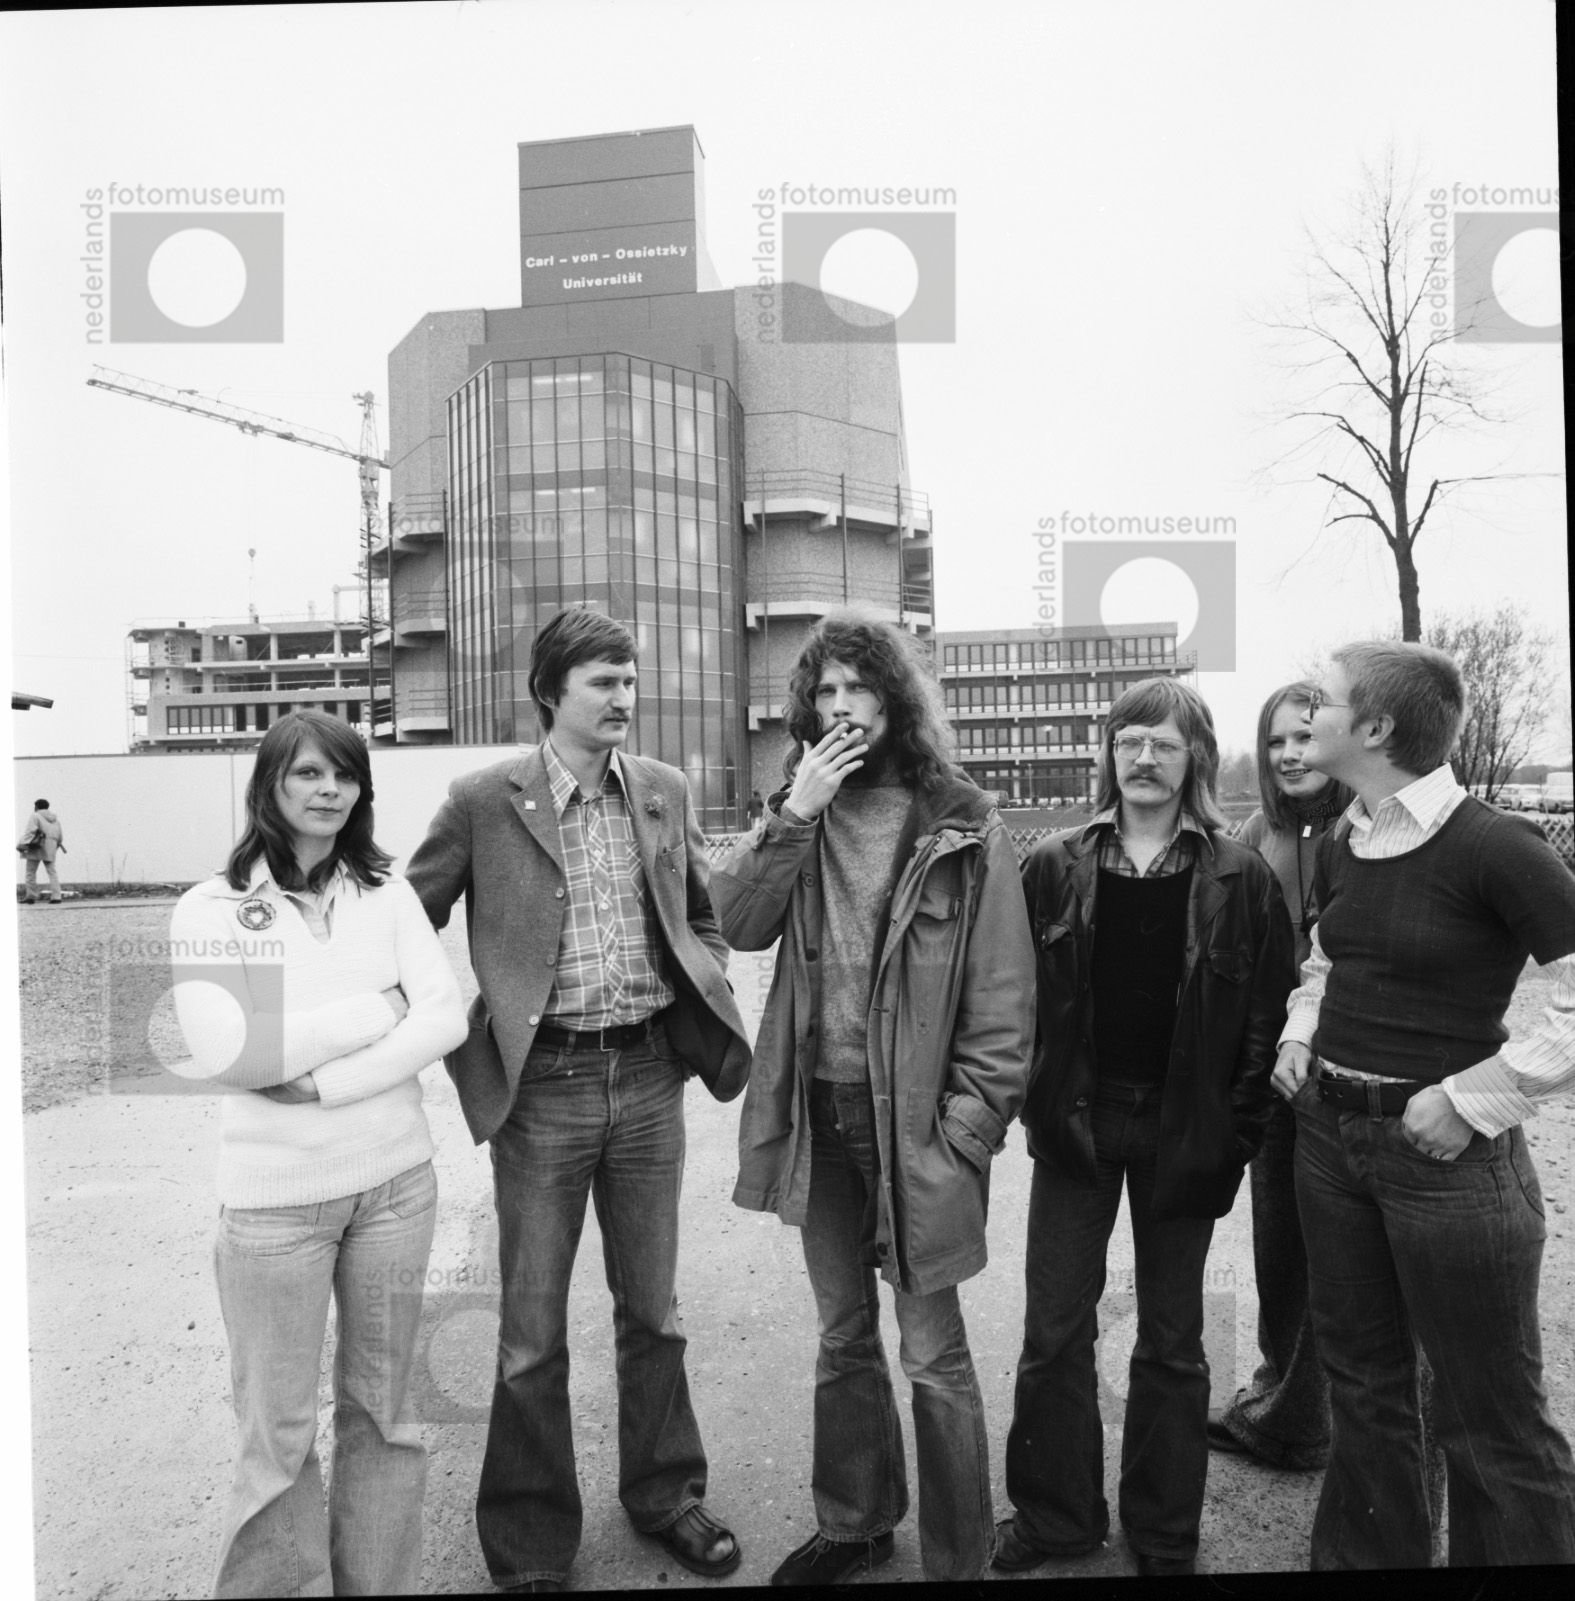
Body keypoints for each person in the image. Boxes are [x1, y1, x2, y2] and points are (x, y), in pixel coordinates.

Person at [405, 606, 751, 1593]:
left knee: (655, 1310)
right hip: (542, 1089)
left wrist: (702, 980)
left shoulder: (662, 789)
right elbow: (406, 916)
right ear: (549, 692)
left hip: (647, 1079)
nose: (623, 696)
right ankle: (529, 1540)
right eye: (603, 681)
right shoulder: (482, 799)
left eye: (629, 679)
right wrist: (435, 1018)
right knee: (529, 1333)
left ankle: (666, 1494)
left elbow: (700, 916)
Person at [712, 610, 1034, 1586]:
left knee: (932, 1350)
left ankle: (958, 1557)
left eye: (859, 687)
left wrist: (967, 1129)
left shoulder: (962, 820)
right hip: (820, 1111)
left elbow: (1005, 997)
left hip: (918, 1124)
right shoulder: (798, 812)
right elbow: (737, 923)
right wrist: (793, 815)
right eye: (825, 691)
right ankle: (855, 1523)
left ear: (895, 700)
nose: (842, 705)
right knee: (842, 1333)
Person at [1275, 640, 1575, 1569]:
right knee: (1363, 1392)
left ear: (1374, 727)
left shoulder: (1496, 845)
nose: (1305, 715)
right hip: (1329, 1142)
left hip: (1447, 1166)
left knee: (1488, 1418)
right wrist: (1299, 1032)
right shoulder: (1349, 835)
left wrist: (1477, 1097)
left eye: (1321, 701)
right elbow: (1328, 959)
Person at [996, 677, 1294, 1579]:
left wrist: (1235, 1132)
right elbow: (1015, 1001)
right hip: (1077, 1127)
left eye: (1163, 743)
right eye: (1128, 741)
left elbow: (1266, 1014)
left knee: (1171, 1338)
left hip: (1183, 1130)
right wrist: (1033, 1099)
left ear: (1193, 756)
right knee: (1054, 1330)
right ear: (1109, 754)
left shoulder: (1239, 875)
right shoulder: (1053, 863)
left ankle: (1163, 1532)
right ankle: (1056, 1519)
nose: (1143, 758)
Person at [169, 709, 468, 1597]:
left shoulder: (389, 893)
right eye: (308, 772)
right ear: (269, 784)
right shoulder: (211, 908)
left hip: (394, 1188)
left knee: (386, 1415)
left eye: (344, 774)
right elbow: (232, 1051)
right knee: (278, 1435)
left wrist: (324, 1079)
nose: (329, 789)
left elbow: (444, 1017)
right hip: (273, 1209)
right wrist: (378, 1009)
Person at [1206, 682, 1352, 1469]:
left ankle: (1305, 1417)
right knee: (1277, 1239)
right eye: (1275, 741)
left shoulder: (1361, 826)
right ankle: (1278, 1393)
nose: (1291, 754)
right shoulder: (1256, 832)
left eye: (1304, 736)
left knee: (1334, 1246)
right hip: (1270, 1067)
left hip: (1340, 1068)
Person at [19, 797, 65, 903]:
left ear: (36, 806)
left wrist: (23, 844)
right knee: (52, 872)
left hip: (36, 847)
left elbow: (30, 831)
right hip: (51, 847)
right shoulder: (55, 820)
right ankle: (56, 896)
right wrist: (54, 846)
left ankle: (31, 896)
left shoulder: (35, 816)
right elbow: (60, 837)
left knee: (30, 872)